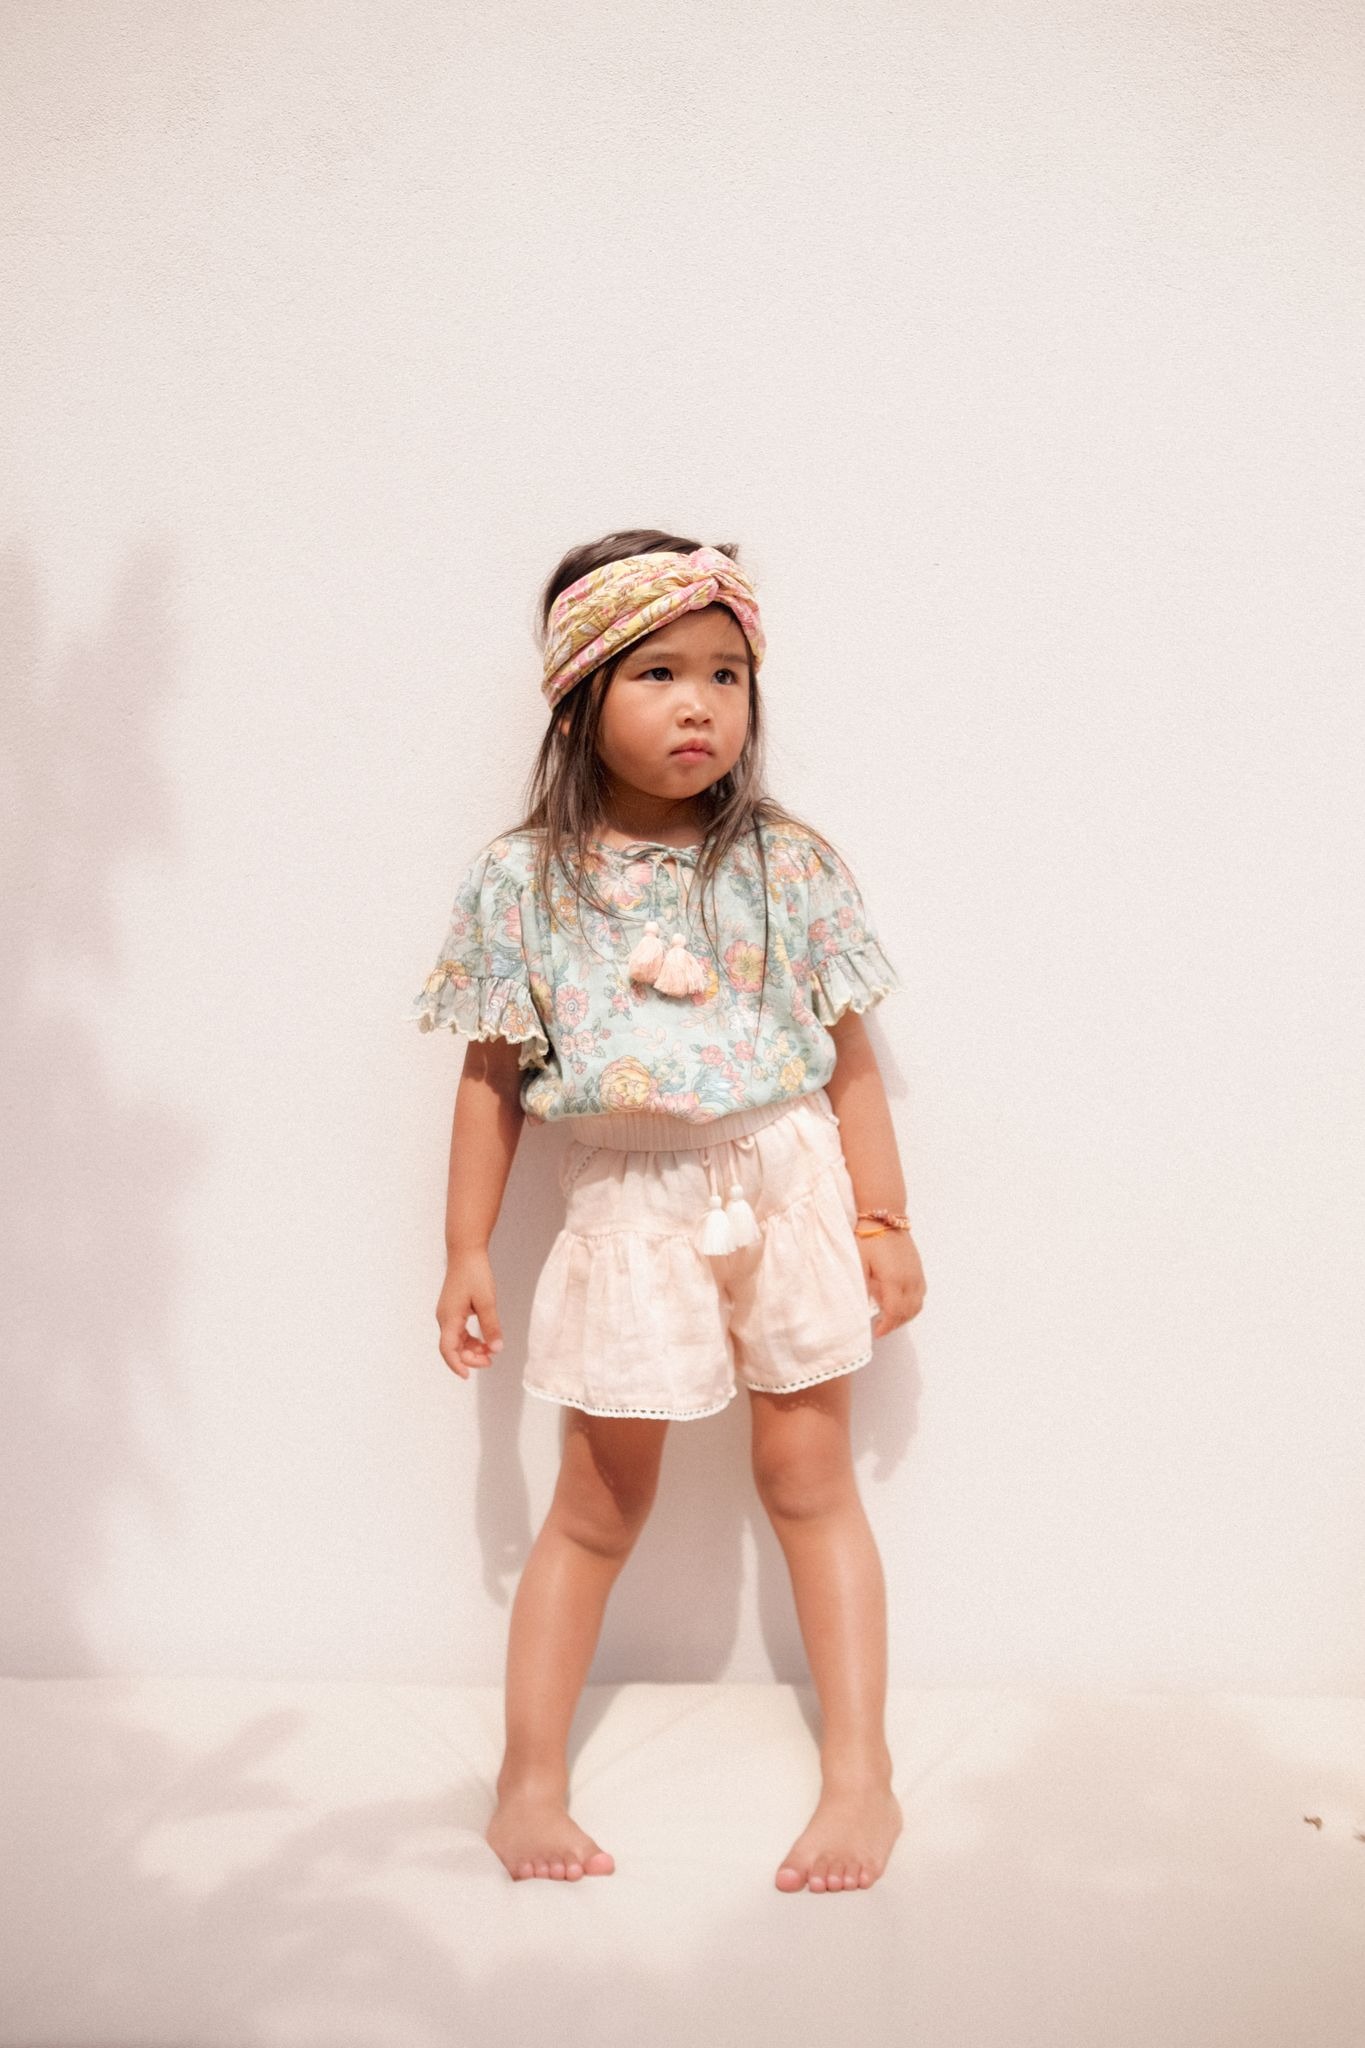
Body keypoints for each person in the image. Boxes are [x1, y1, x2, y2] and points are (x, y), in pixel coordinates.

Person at [408, 529, 927, 1893]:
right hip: (628, 1207)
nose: (699, 704)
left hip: (786, 1182)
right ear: (580, 695)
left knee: (808, 1481)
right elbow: (490, 1079)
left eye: (725, 675)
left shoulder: (787, 865)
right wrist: (465, 1247)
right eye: (657, 673)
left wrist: (882, 1221)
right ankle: (527, 1783)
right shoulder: (522, 883)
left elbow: (849, 1059)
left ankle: (861, 1778)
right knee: (595, 1502)